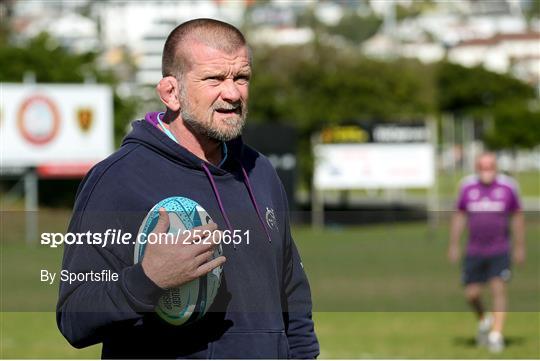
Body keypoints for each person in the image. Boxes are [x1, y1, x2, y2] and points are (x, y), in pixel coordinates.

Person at [57, 18, 319, 359]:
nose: (233, 93)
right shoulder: (118, 180)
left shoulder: (260, 171)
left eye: (241, 78)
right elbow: (74, 318)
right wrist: (148, 279)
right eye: (214, 79)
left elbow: (293, 299)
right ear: (171, 92)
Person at [448, 152, 525, 353]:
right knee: (472, 293)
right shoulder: (467, 187)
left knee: (498, 288)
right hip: (474, 250)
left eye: (490, 166)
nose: (486, 170)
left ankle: (496, 335)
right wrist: (454, 243)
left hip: (500, 249)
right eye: (482, 166)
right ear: (476, 168)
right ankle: (484, 319)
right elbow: (459, 215)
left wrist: (519, 246)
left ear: (496, 167)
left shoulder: (508, 187)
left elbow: (517, 217)